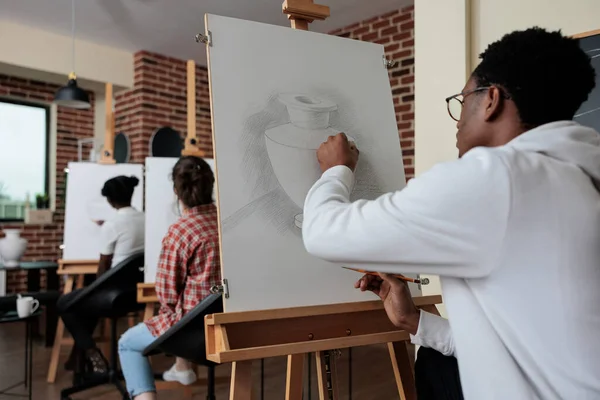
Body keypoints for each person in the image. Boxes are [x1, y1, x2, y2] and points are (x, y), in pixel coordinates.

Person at [302, 27, 600, 399]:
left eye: (462, 102)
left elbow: (323, 232)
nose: (457, 121)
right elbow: (530, 346)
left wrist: (336, 169)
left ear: (490, 100)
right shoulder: (580, 174)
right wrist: (416, 323)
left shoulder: (495, 180)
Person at [118, 156, 221, 400]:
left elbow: (167, 294)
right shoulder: (226, 223)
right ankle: (182, 367)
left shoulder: (181, 230)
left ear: (177, 191)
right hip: (229, 327)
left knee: (127, 343)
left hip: (193, 334)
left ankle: (177, 371)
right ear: (211, 184)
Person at [58, 175, 145, 374]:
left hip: (114, 295)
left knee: (65, 303)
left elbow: (103, 266)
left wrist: (93, 289)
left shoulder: (112, 225)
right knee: (85, 305)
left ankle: (91, 353)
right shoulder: (145, 219)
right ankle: (78, 357)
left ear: (110, 200)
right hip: (137, 293)